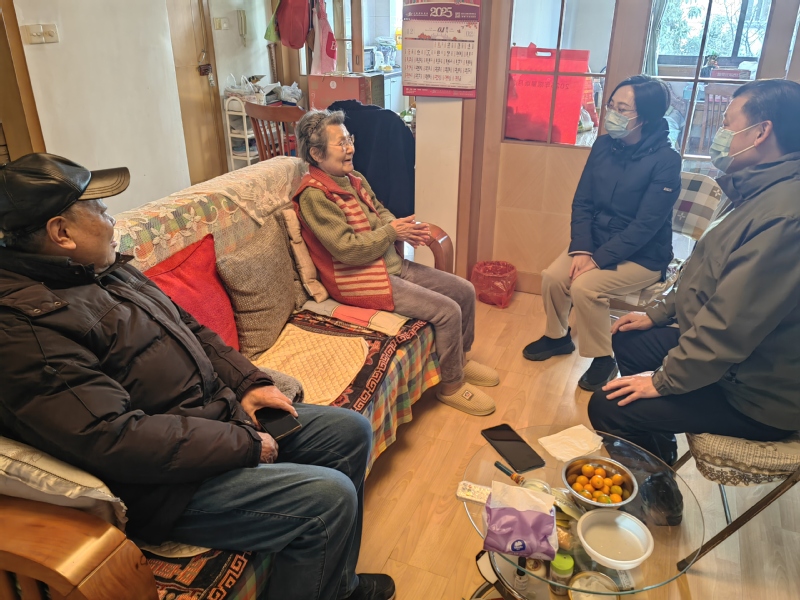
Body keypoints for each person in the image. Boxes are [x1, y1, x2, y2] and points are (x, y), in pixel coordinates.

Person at [0, 153, 395, 600]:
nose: (112, 221)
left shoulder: (103, 270)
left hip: (213, 423)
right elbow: (113, 438)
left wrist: (248, 383)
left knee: (349, 431)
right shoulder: (24, 328)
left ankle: (337, 588)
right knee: (329, 499)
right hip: (165, 487)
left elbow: (190, 328)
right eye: (100, 210)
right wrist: (244, 444)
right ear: (62, 233)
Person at [588, 79, 800, 465]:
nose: (721, 133)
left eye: (727, 123)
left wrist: (663, 381)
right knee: (628, 336)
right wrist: (658, 312)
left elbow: (729, 326)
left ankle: (657, 488)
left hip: (755, 394)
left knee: (607, 406)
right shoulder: (752, 190)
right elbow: (701, 271)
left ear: (761, 132)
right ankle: (659, 447)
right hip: (733, 364)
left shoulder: (784, 216)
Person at [292, 109, 499, 416]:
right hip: (357, 280)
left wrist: (400, 227)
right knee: (447, 311)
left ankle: (461, 361)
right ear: (316, 153)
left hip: (387, 265)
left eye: (350, 139)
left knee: (464, 291)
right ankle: (452, 386)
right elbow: (347, 250)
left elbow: (381, 211)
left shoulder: (354, 178)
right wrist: (392, 232)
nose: (350, 148)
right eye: (341, 143)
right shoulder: (314, 196)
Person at [522, 75, 682, 392]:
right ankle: (557, 337)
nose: (612, 114)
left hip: (643, 256)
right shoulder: (604, 145)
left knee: (585, 287)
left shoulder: (666, 160)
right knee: (553, 277)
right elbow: (583, 201)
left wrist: (597, 260)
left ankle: (603, 358)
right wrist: (582, 250)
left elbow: (645, 226)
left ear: (645, 117)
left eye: (622, 109)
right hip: (595, 244)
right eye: (612, 105)